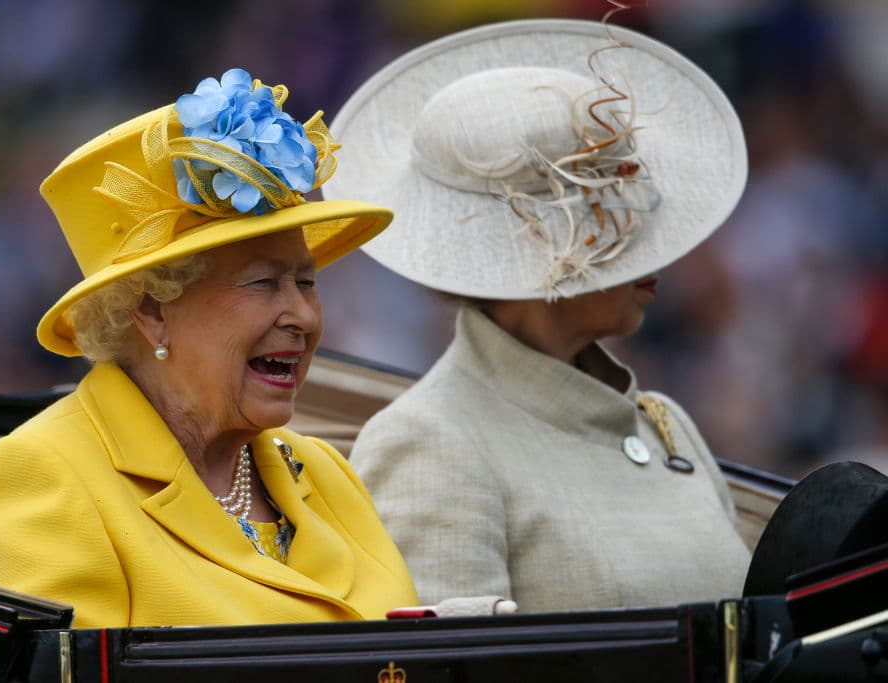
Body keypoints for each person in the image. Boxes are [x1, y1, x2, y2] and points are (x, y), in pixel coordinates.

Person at [0, 68, 418, 627]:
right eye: (263, 283)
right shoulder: (43, 479)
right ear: (152, 312)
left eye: (306, 281)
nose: (303, 316)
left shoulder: (325, 473)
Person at [321, 19, 752, 612]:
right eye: (607, 217)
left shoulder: (667, 426)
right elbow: (449, 659)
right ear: (539, 250)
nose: (652, 245)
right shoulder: (429, 441)